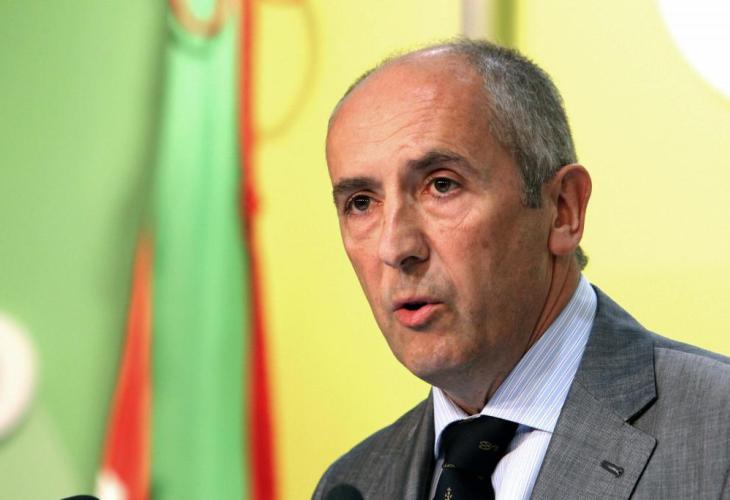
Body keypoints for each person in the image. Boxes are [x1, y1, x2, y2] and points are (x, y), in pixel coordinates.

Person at [314, 39, 730, 500]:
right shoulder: (355, 482)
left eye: (442, 185)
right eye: (361, 203)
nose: (395, 247)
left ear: (563, 209)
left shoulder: (718, 433)